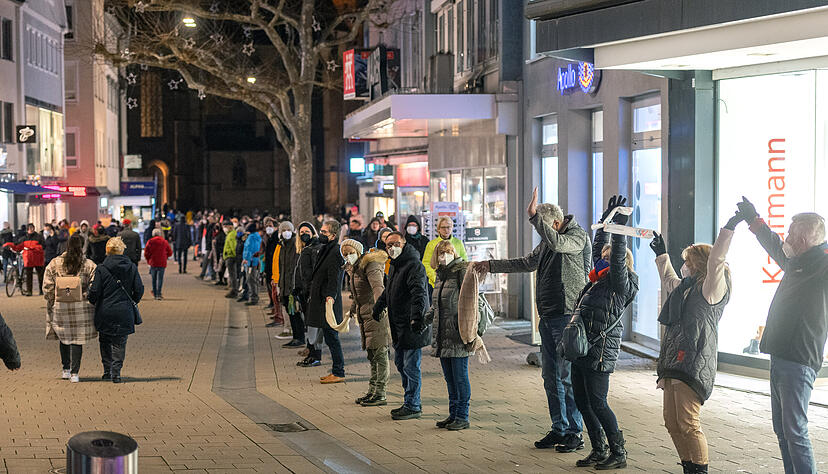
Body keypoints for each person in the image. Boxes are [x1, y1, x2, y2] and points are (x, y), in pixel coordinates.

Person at [473, 187, 590, 451]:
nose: (543, 234)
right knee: (551, 378)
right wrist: (491, 266)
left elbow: (559, 245)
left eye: (545, 229)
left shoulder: (576, 237)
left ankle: (575, 431)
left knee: (567, 376)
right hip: (548, 316)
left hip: (567, 316)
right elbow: (527, 263)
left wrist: (535, 218)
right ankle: (559, 428)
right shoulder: (550, 240)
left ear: (557, 224)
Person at [736, 197, 828, 474]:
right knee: (783, 431)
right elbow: (774, 245)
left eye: (791, 234)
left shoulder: (822, 265)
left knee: (795, 431)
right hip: (780, 356)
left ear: (803, 239)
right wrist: (754, 220)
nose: (786, 238)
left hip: (799, 361)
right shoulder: (795, 262)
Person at [650, 213, 738, 474]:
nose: (684, 265)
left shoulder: (711, 289)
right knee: (671, 422)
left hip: (694, 360)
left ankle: (699, 469)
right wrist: (662, 255)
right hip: (673, 359)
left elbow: (718, 260)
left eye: (687, 261)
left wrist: (728, 229)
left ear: (700, 263)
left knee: (688, 422)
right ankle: (689, 466)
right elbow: (668, 281)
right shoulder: (685, 287)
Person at [558, 196, 638, 469]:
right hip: (583, 348)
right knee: (582, 401)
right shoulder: (597, 279)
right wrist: (604, 223)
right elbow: (597, 250)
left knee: (599, 403)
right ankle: (599, 449)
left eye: (608, 257)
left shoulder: (620, 283)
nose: (602, 259)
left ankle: (619, 453)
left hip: (601, 351)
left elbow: (615, 256)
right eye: (602, 257)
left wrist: (618, 230)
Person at [372, 231, 430, 420]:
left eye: (395, 244)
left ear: (403, 244)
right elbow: (388, 290)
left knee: (410, 366)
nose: (392, 248)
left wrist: (416, 318)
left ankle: (413, 405)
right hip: (398, 326)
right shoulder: (395, 266)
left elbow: (419, 294)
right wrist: (379, 306)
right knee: (401, 364)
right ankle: (409, 401)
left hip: (411, 325)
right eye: (388, 245)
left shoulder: (413, 265)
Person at [425, 240, 473, 430]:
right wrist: (425, 319)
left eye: (448, 252)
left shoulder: (461, 272)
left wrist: (468, 328)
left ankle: (463, 416)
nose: (444, 256)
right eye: (441, 254)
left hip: (457, 333)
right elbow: (436, 304)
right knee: (450, 378)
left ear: (454, 252)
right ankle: (453, 414)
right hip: (442, 333)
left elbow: (470, 300)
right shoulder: (440, 275)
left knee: (460, 377)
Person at [88, 237, 144, 383]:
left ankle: (107, 370)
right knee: (119, 343)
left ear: (107, 250)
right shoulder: (131, 267)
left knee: (105, 340)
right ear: (122, 249)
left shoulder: (101, 268)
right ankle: (116, 373)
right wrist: (132, 301)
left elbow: (95, 291)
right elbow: (139, 289)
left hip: (105, 311)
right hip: (124, 311)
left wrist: (92, 301)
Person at [43, 233, 97, 383]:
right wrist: (86, 297)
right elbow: (95, 287)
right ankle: (75, 373)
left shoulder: (54, 263)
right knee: (76, 339)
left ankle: (65, 369)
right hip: (81, 309)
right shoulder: (89, 265)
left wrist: (52, 300)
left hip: (60, 307)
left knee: (64, 337)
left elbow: (47, 286)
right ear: (82, 246)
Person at [343, 239, 391, 406]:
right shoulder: (355, 269)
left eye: (350, 252)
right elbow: (358, 294)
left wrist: (379, 309)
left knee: (379, 354)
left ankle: (380, 393)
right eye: (345, 254)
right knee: (372, 354)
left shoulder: (370, 266)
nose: (348, 256)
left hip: (376, 315)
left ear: (358, 251)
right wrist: (352, 310)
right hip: (365, 316)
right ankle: (372, 391)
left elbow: (378, 288)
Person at [306, 220, 346, 384]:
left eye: (324, 232)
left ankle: (338, 371)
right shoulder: (326, 249)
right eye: (321, 231)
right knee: (329, 336)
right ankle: (337, 370)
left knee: (332, 337)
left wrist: (330, 296)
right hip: (322, 299)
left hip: (328, 301)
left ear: (333, 235)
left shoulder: (335, 252)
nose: (321, 234)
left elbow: (334, 278)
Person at [294, 222, 321, 366]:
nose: (304, 234)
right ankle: (311, 352)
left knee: (314, 326)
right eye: (301, 231)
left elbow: (313, 273)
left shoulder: (315, 248)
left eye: (307, 231)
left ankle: (315, 355)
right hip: (305, 293)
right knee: (309, 324)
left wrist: (310, 291)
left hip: (312, 293)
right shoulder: (305, 249)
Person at [423, 217, 468, 291]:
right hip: (435, 284)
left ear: (452, 228)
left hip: (455, 284)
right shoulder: (431, 244)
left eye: (448, 227)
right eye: (443, 227)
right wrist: (435, 278)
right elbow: (426, 264)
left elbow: (464, 261)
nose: (446, 230)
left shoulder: (458, 243)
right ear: (438, 229)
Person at [275, 221, 301, 342]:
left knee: (295, 313)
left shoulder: (296, 245)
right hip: (285, 285)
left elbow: (294, 268)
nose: (286, 232)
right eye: (284, 230)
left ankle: (299, 337)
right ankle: (296, 337)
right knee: (290, 312)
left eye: (288, 230)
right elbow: (282, 268)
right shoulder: (283, 246)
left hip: (292, 286)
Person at [17, 223, 46, 296]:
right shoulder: (24, 238)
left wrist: (37, 248)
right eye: (30, 228)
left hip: (38, 258)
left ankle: (41, 290)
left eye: (32, 228)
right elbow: (19, 245)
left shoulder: (39, 237)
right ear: (27, 229)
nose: (31, 229)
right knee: (28, 276)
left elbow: (44, 246)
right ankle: (29, 291)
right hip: (28, 259)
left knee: (40, 275)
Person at [144, 229, 173, 300]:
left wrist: (148, 259)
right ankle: (159, 294)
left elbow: (146, 252)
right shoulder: (164, 241)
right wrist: (166, 256)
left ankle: (155, 293)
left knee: (153, 279)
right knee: (160, 279)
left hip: (153, 262)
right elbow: (170, 252)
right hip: (162, 262)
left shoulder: (150, 241)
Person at [241, 223, 263, 306]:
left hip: (251, 262)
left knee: (251, 280)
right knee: (255, 280)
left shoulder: (251, 238)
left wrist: (246, 260)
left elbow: (249, 251)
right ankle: (255, 297)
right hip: (256, 261)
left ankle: (253, 298)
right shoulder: (258, 237)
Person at [222, 222, 239, 298]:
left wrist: (235, 255)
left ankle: (234, 291)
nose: (224, 228)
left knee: (232, 275)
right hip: (229, 256)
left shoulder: (232, 234)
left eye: (226, 226)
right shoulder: (229, 234)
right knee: (232, 275)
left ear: (230, 226)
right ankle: (234, 290)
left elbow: (233, 246)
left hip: (231, 257)